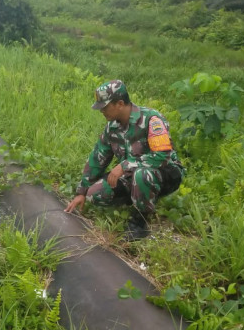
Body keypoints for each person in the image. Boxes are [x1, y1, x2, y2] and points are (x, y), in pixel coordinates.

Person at [64, 80, 184, 240]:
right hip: (133, 175)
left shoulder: (152, 120)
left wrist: (125, 165)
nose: (102, 111)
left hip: (165, 174)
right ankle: (139, 196)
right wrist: (82, 192)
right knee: (94, 195)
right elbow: (98, 157)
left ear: (120, 103)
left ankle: (139, 223)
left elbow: (162, 156)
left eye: (105, 107)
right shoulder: (112, 127)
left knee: (142, 175)